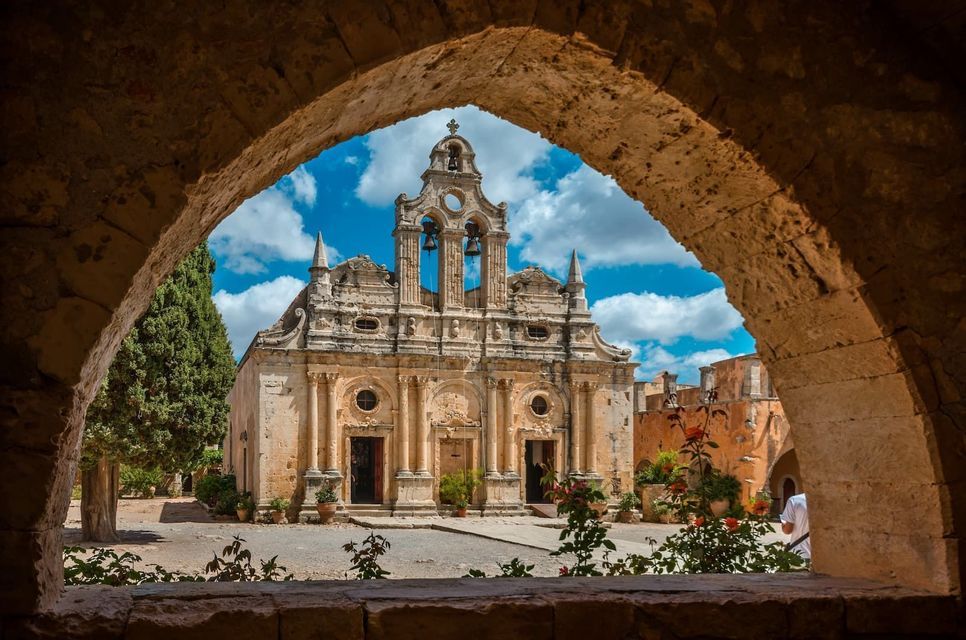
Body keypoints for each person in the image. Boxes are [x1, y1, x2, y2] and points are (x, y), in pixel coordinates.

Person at [780, 492, 810, 560]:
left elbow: (787, 530)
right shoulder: (831, 501)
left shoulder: (795, 500)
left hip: (800, 554)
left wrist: (783, 524)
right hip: (823, 556)